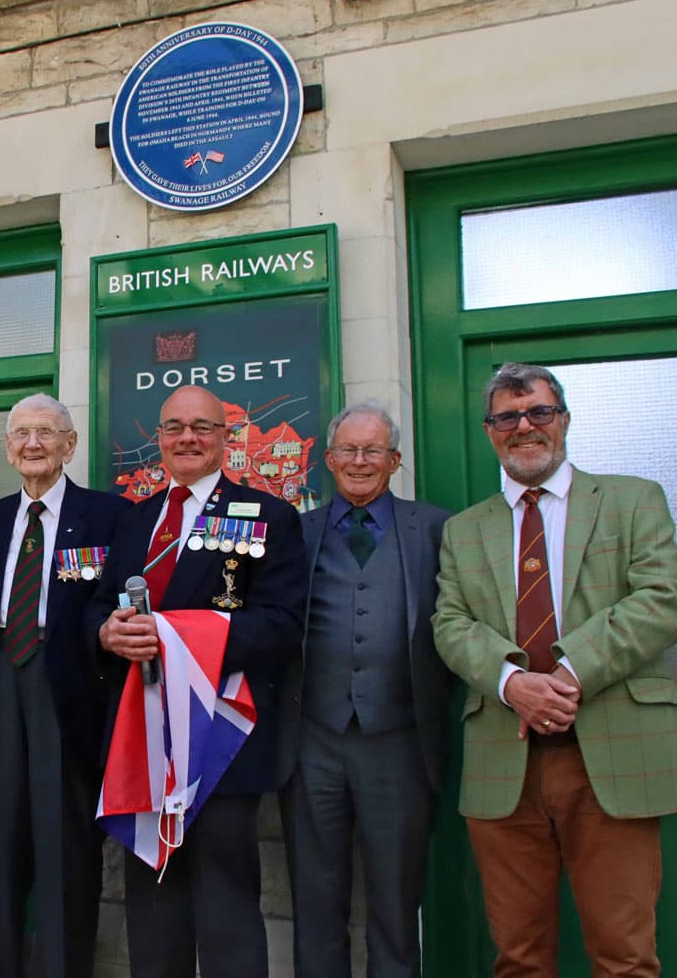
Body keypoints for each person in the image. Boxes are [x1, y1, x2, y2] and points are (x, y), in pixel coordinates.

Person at [433, 362, 677, 976]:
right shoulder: (464, 531)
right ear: (490, 431)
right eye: (507, 417)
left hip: (612, 756)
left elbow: (665, 600)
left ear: (564, 420)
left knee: (625, 957)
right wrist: (514, 684)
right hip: (505, 764)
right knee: (518, 958)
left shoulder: (633, 499)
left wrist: (570, 676)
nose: (524, 427)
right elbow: (451, 624)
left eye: (539, 412)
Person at [90, 384, 306, 978]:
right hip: (141, 742)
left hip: (219, 743)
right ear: (158, 440)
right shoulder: (133, 521)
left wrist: (176, 636)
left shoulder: (269, 516)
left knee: (227, 910)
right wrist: (107, 634)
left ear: (225, 438)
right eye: (175, 427)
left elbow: (283, 626)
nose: (188, 438)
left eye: (203, 427)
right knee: (152, 908)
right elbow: (98, 606)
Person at [277, 402, 452, 978]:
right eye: (348, 450)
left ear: (394, 460)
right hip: (311, 743)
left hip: (399, 743)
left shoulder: (434, 528)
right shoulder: (293, 534)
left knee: (397, 903)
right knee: (315, 899)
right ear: (328, 460)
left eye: (372, 450)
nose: (359, 461)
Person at [0, 393, 127, 978]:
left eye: (46, 433)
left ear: (70, 444)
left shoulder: (110, 516)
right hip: (1, 688)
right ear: (9, 448)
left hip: (70, 695)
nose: (33, 444)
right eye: (21, 434)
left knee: (67, 859)